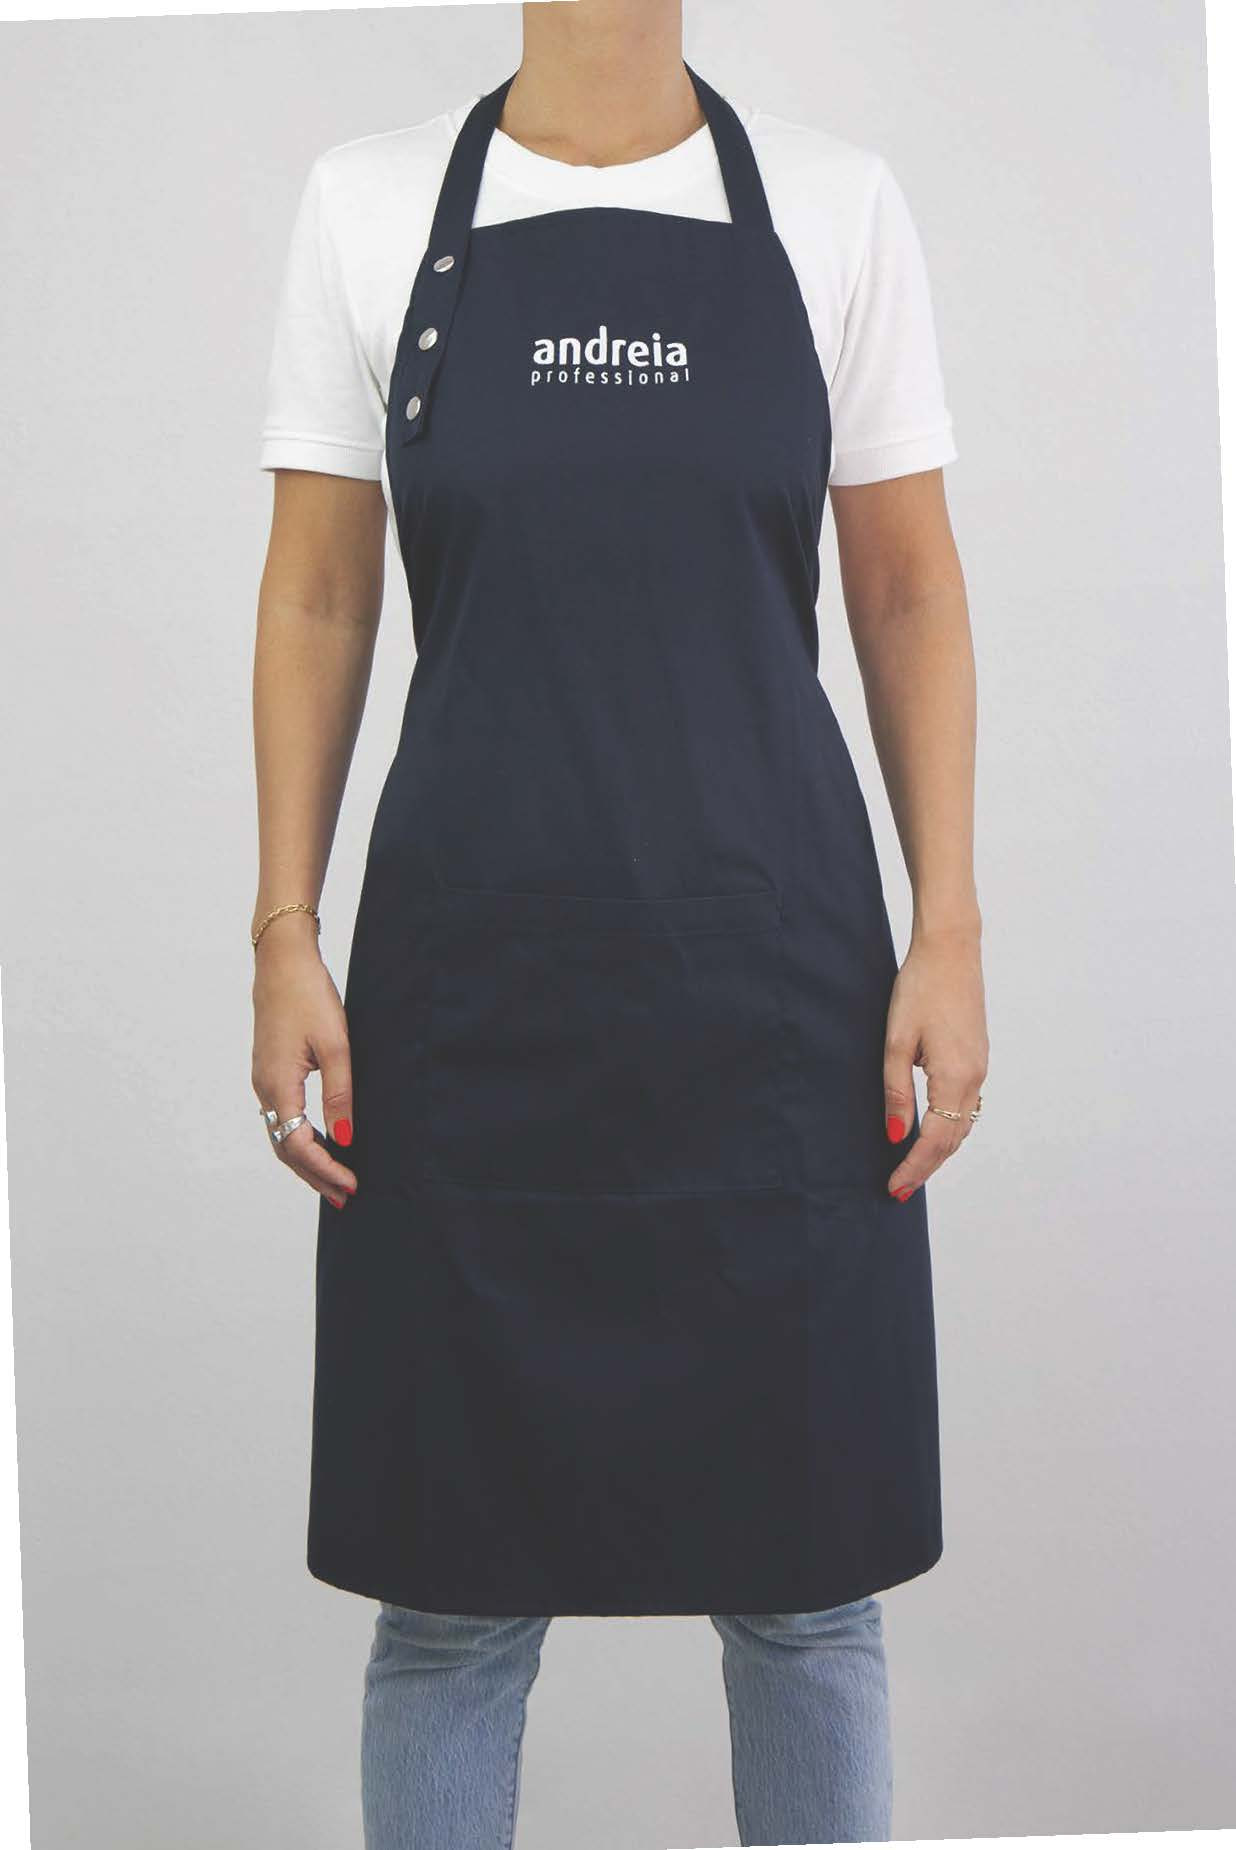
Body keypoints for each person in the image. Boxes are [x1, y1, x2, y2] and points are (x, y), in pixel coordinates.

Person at [251, 2, 988, 1844]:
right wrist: (282, 927)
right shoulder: (365, 207)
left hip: (778, 991)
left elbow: (907, 587)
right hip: (468, 995)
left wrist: (952, 927)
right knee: (448, 1598)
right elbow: (321, 591)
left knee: (810, 1589)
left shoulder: (836, 205)